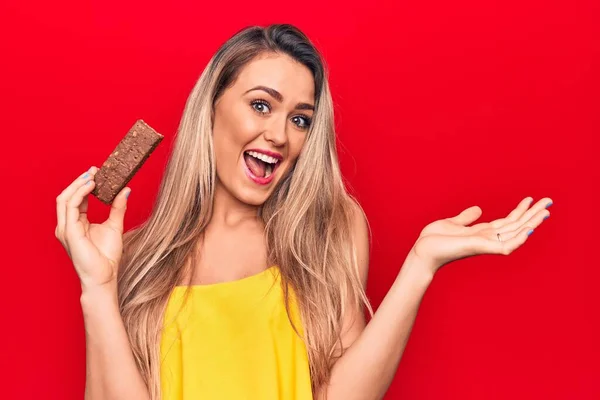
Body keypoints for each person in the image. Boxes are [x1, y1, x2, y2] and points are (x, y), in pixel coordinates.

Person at [54, 24, 553, 400]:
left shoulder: (327, 228)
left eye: (300, 119)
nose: (279, 135)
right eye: (261, 105)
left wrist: (419, 266)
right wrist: (97, 289)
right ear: (211, 107)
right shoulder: (134, 255)